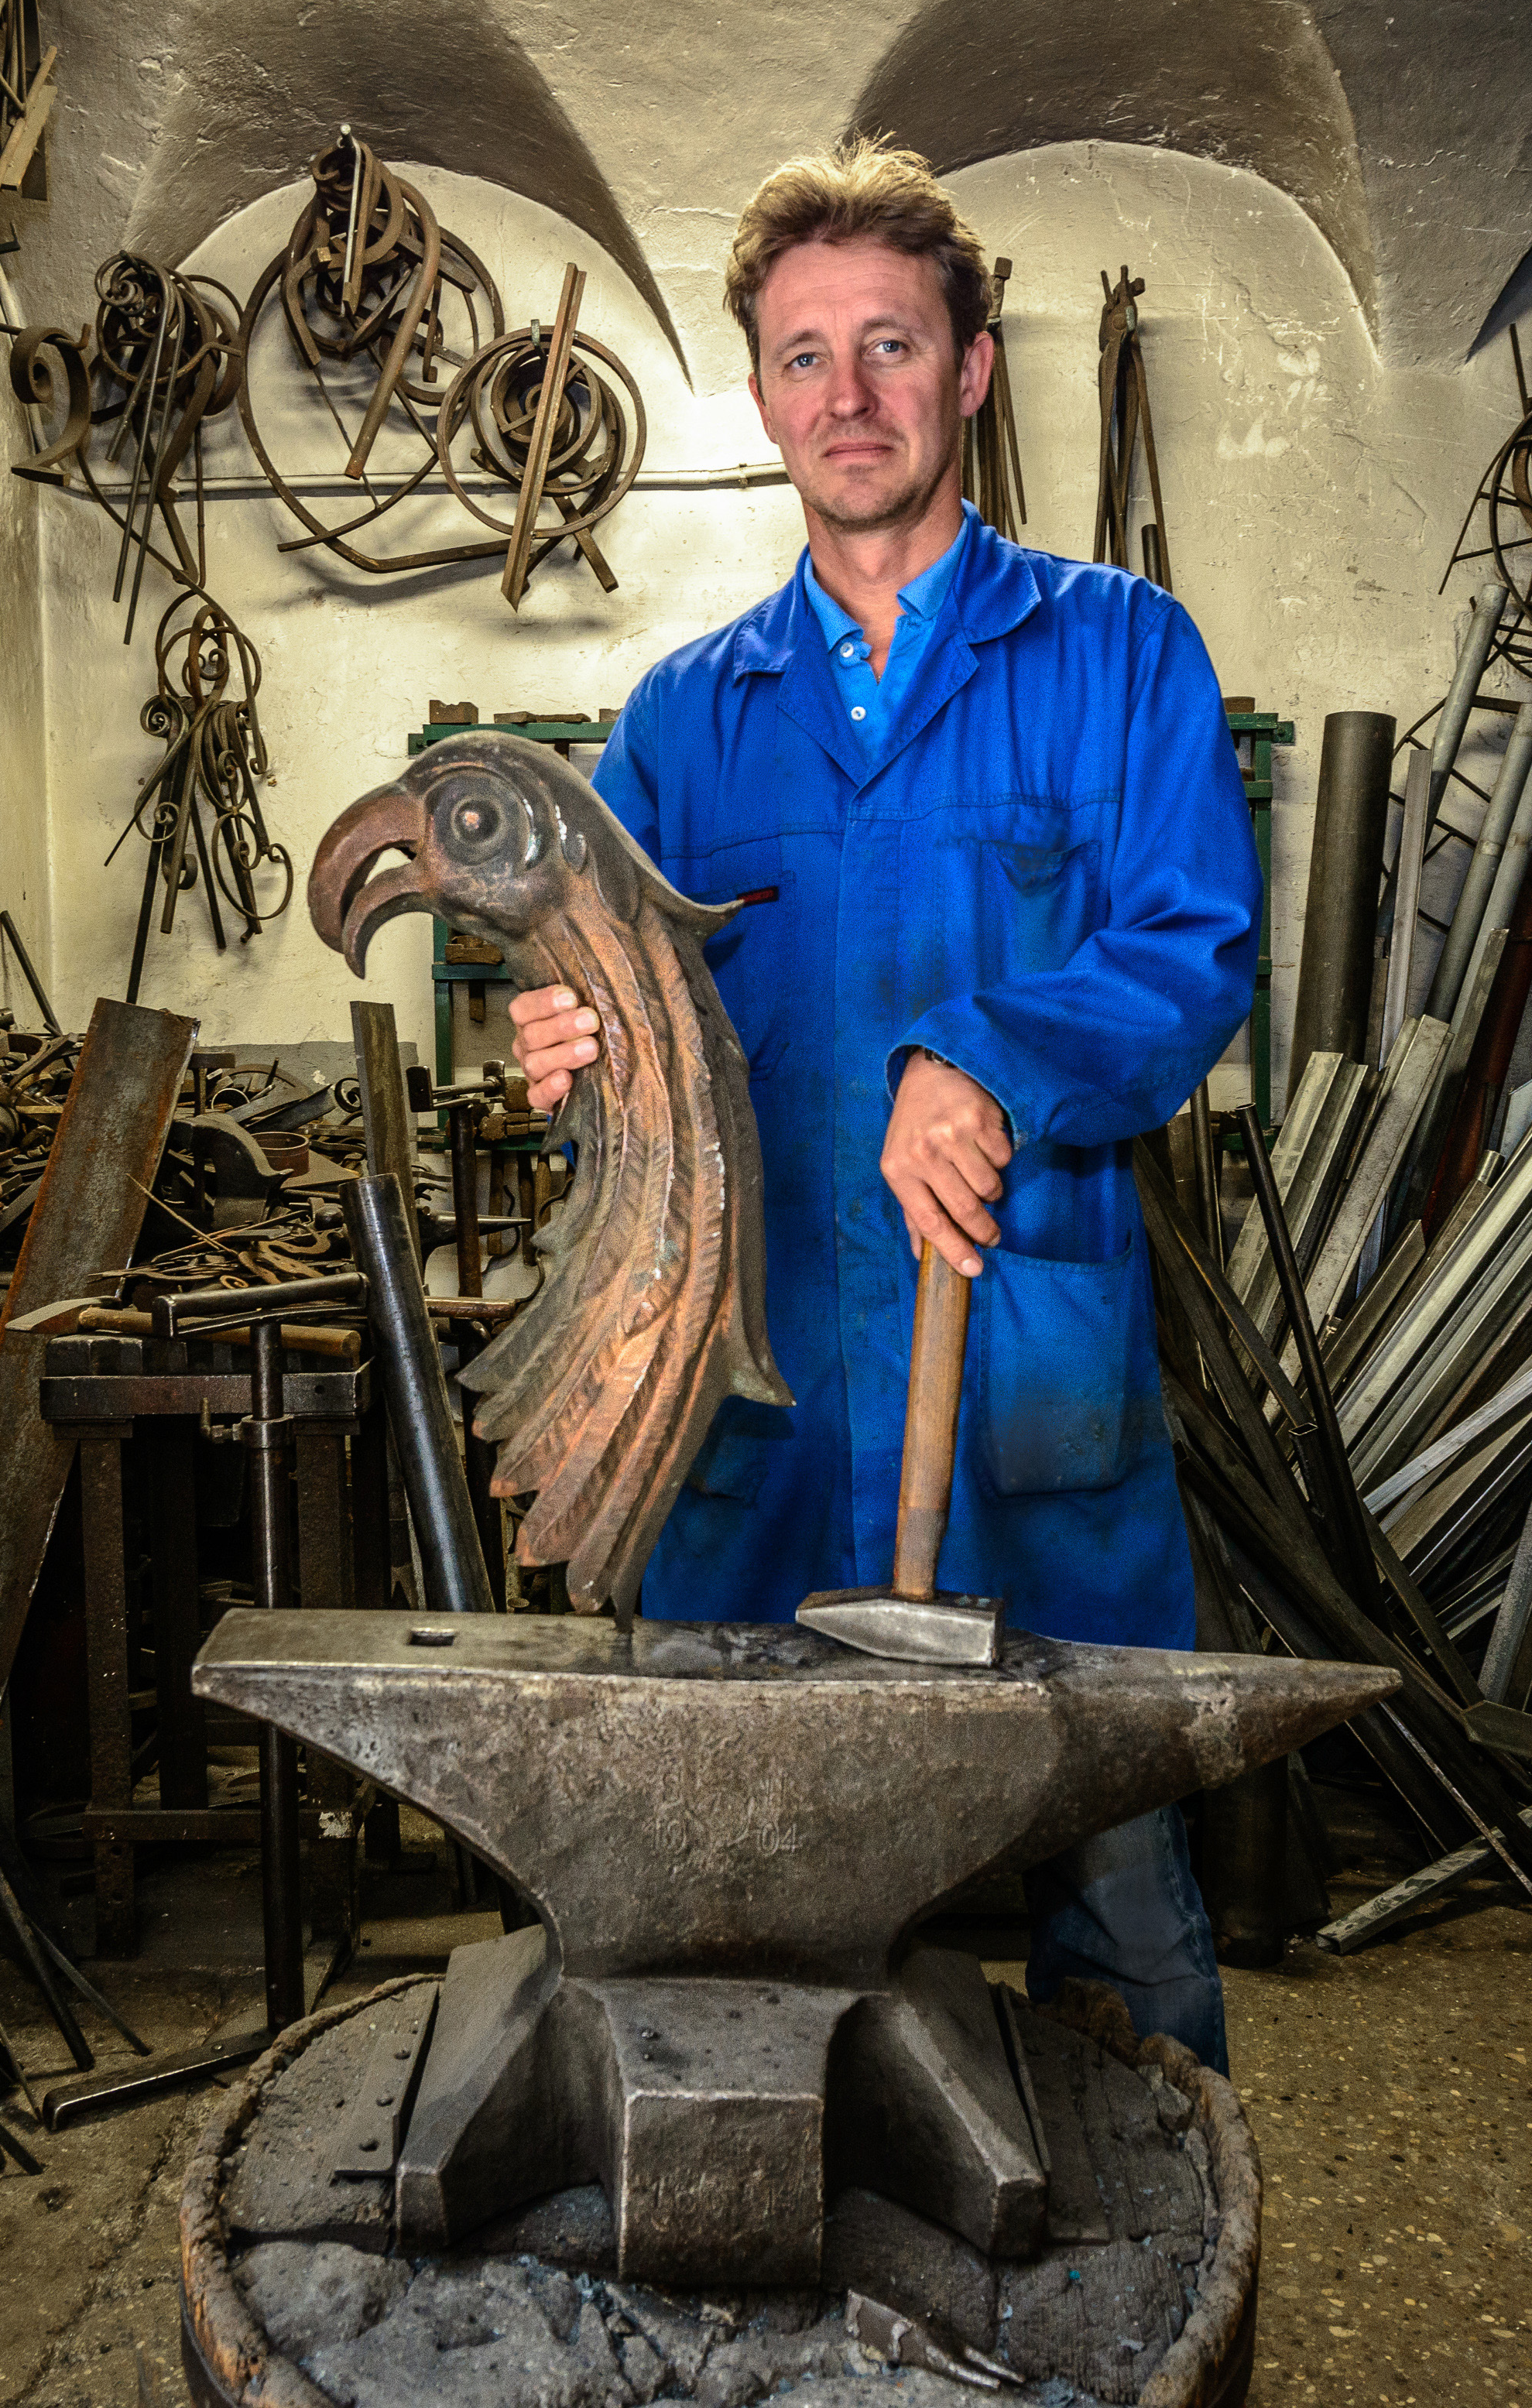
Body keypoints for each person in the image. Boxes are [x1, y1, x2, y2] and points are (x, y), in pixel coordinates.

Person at [506, 142, 1261, 2067]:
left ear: (971, 370)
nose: (845, 398)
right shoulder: (686, 715)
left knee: (1116, 1905)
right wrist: (570, 1053)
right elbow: (616, 1005)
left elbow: (1190, 956)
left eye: (889, 348)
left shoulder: (1115, 656)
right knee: (727, 1912)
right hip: (751, 1401)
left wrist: (986, 1054)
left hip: (1025, 1392)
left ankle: (1138, 2298)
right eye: (800, 357)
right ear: (757, 394)